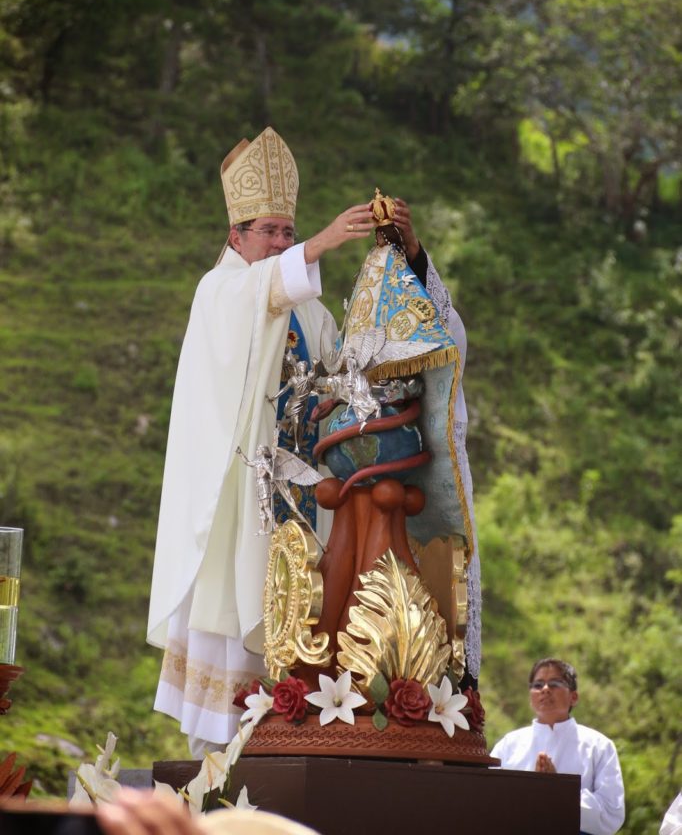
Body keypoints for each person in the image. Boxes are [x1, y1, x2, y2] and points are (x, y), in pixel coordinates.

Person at [147, 126, 479, 754]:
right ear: (234, 235)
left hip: (313, 492)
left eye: (287, 232)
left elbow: (357, 367)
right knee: (240, 623)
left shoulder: (310, 311)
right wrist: (325, 241)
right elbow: (258, 295)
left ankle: (294, 723)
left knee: (311, 619)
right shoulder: (219, 291)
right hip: (246, 493)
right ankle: (220, 768)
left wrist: (401, 259)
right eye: (267, 230)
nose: (279, 241)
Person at [491, 658, 625, 835]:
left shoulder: (598, 746)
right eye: (538, 685)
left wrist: (560, 791)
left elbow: (611, 814)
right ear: (530, 696)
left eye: (554, 683)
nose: (545, 689)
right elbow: (488, 800)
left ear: (574, 697)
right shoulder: (508, 745)